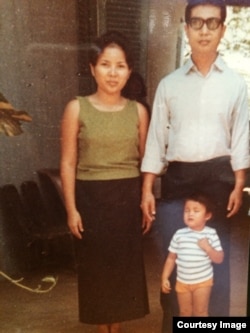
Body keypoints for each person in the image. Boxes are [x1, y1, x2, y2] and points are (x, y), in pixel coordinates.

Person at [140, 0, 249, 331]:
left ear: (222, 30)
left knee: (216, 264)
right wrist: (147, 188)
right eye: (197, 23)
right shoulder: (169, 85)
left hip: (218, 180)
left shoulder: (235, 85)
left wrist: (238, 184)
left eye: (212, 23)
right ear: (186, 29)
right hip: (178, 183)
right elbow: (156, 140)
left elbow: (242, 138)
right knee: (177, 261)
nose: (204, 30)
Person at [60, 31, 150, 333]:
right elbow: (68, 162)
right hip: (91, 200)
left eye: (121, 65)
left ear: (129, 70)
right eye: (105, 64)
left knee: (122, 271)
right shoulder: (76, 108)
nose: (113, 72)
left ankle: (117, 328)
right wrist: (71, 209)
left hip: (126, 199)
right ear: (92, 68)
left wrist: (145, 199)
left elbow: (145, 162)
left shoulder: (138, 112)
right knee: (97, 273)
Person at [161, 193, 224, 317]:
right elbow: (171, 258)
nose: (190, 214)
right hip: (182, 282)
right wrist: (164, 277)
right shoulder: (179, 234)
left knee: (200, 312)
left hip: (203, 281)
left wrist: (208, 248)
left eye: (196, 211)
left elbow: (219, 259)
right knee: (184, 312)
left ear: (207, 215)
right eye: (187, 210)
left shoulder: (211, 234)